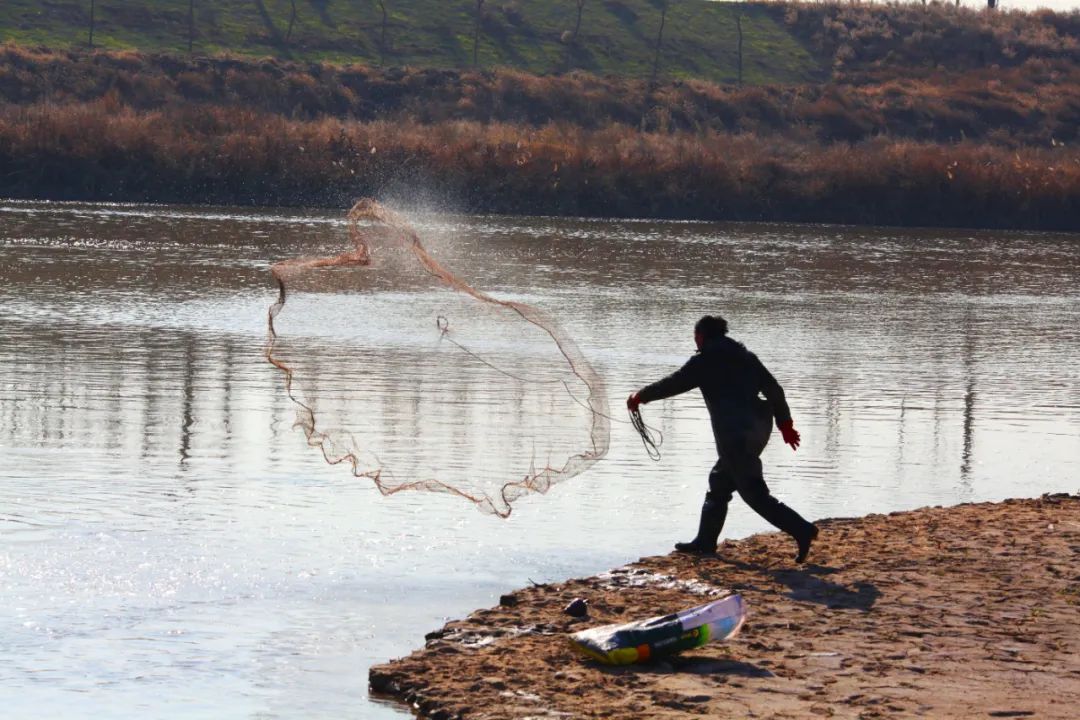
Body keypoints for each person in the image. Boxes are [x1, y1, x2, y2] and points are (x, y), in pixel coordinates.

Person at [627, 315, 819, 563]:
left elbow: (674, 383)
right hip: (757, 430)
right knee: (719, 482)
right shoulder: (747, 358)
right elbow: (775, 391)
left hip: (735, 436)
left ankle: (802, 530)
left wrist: (640, 396)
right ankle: (705, 541)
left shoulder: (705, 361)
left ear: (701, 337)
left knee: (754, 494)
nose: (695, 342)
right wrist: (785, 425)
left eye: (696, 337)